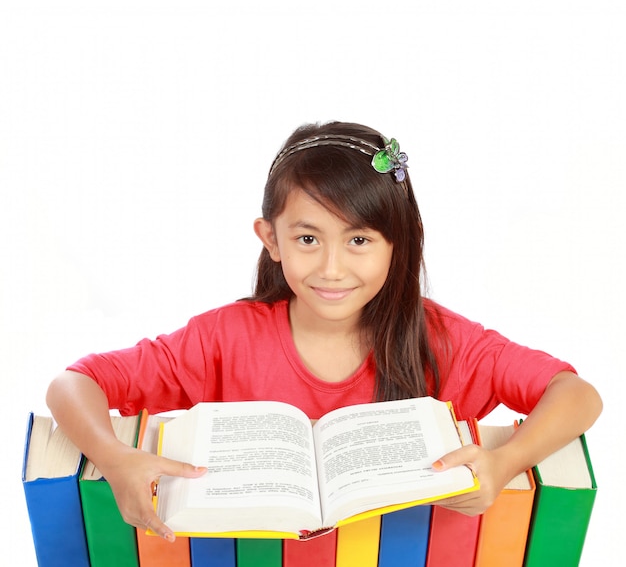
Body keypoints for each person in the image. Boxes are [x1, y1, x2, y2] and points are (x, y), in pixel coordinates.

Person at [46, 121, 602, 542]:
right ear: (271, 239)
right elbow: (75, 383)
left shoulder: (442, 339)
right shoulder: (224, 337)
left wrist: (505, 462)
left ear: (397, 242)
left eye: (359, 240)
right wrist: (116, 459)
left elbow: (576, 394)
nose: (332, 268)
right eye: (308, 239)